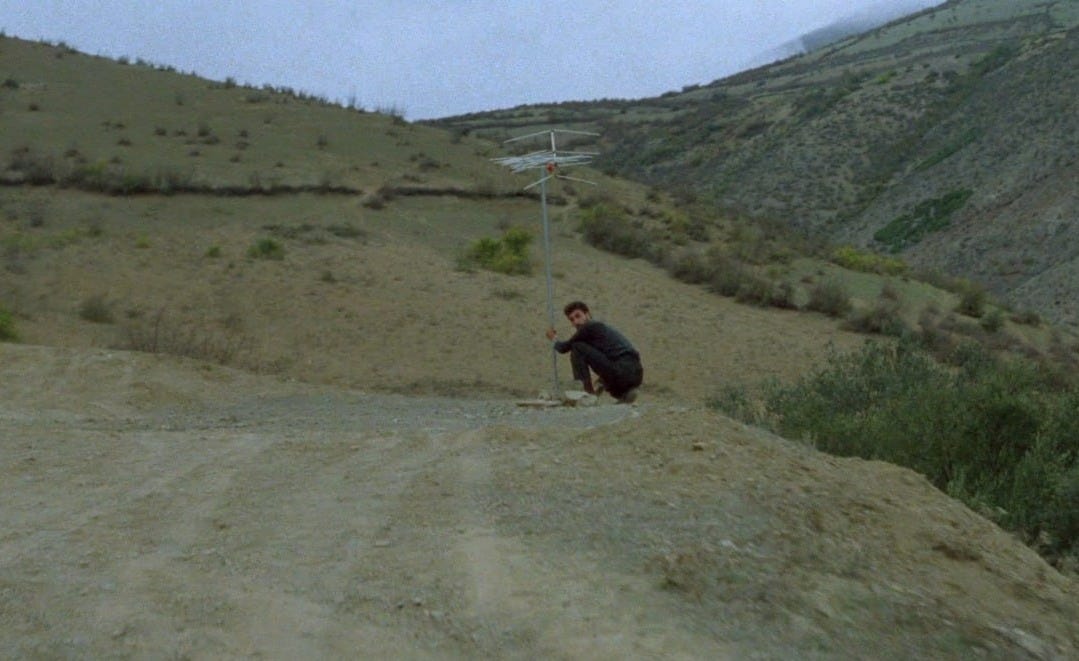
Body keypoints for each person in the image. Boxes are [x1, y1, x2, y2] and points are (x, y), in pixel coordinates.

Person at [545, 301, 643, 403]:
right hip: (634, 374)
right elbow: (602, 360)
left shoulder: (590, 327)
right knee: (598, 361)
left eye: (578, 316)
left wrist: (553, 339)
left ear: (587, 314)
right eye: (572, 319)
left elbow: (563, 348)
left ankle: (584, 394)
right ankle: (625, 394)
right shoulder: (598, 333)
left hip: (624, 370)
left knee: (577, 347)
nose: (575, 322)